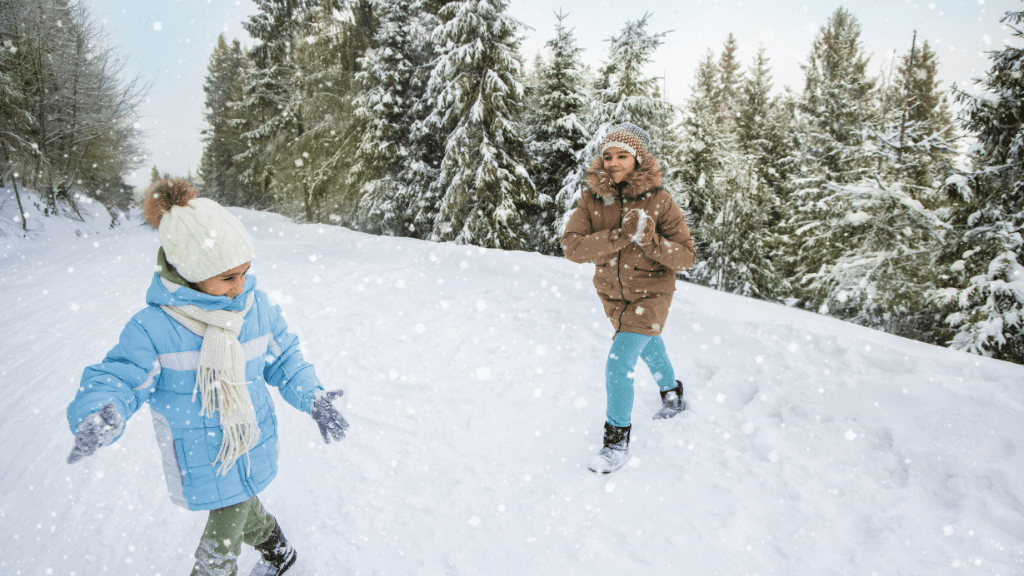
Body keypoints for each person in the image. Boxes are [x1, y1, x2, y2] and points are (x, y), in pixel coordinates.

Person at [65, 179, 349, 576]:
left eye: (245, 273)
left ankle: (266, 556)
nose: (240, 287)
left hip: (250, 438)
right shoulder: (154, 327)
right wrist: (101, 410)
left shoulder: (256, 308)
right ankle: (279, 550)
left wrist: (313, 396)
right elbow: (121, 376)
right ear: (189, 272)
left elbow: (284, 361)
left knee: (220, 542)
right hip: (203, 453)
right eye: (227, 278)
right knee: (238, 504)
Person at [561, 123, 697, 474]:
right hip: (612, 295)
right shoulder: (592, 199)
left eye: (622, 155)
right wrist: (620, 235)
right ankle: (672, 393)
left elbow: (685, 257)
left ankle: (615, 443)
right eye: (608, 156)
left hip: (652, 293)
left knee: (619, 363)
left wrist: (650, 241)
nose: (613, 162)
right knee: (649, 344)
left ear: (638, 159)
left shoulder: (661, 201)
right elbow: (572, 247)